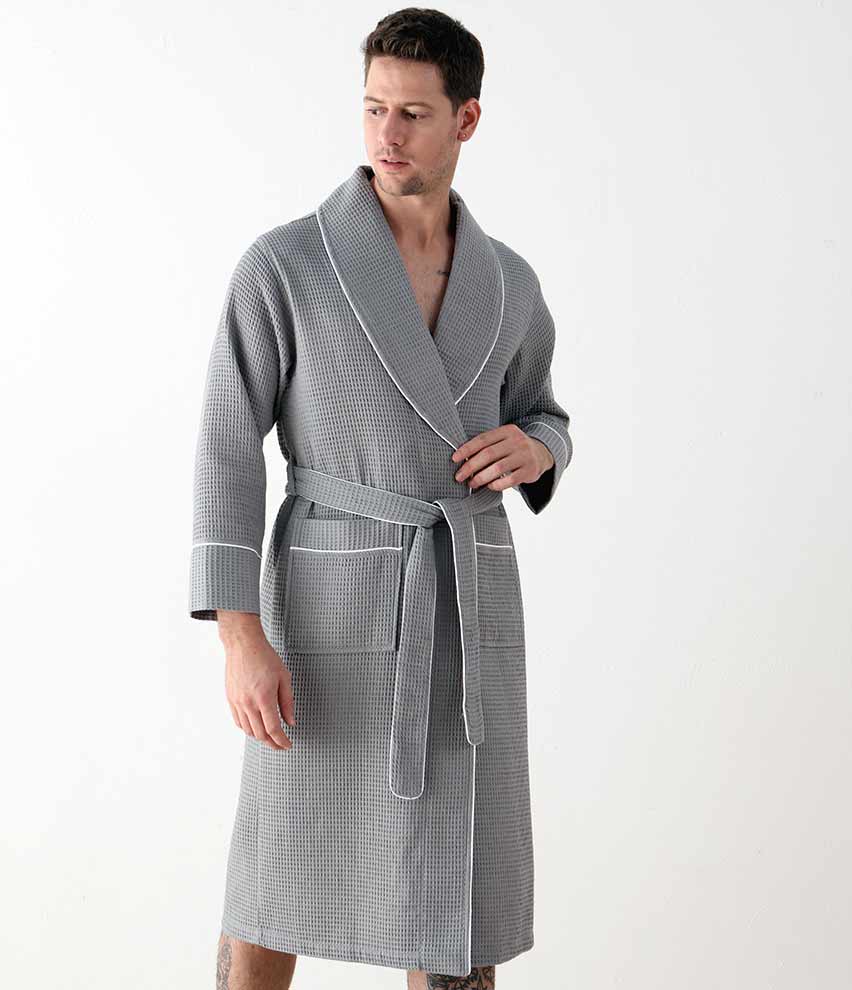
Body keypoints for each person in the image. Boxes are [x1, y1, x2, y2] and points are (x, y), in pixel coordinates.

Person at [189, 9, 574, 989]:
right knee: (274, 878)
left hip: (467, 607)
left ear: (467, 120)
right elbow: (228, 450)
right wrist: (239, 639)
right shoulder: (286, 265)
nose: (386, 135)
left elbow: (542, 411)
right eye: (372, 109)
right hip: (327, 609)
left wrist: (539, 446)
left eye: (412, 113)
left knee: (456, 894)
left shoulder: (508, 282)